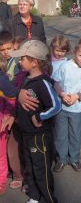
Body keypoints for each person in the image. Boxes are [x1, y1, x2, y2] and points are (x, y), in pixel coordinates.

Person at [10, 40, 61, 203]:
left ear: (34, 62)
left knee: (41, 169)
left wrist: (39, 116)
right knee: (30, 168)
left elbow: (56, 106)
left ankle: (47, 198)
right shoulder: (25, 78)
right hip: (26, 133)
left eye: (22, 58)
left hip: (39, 136)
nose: (19, 61)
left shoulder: (42, 83)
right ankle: (34, 196)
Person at [52, 38, 81, 172]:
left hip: (77, 110)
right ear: (75, 52)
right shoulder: (65, 66)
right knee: (61, 134)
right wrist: (63, 94)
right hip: (61, 108)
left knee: (76, 134)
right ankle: (61, 159)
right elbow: (56, 82)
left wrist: (76, 96)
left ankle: (74, 159)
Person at [0, 56, 16, 195]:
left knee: (0, 155)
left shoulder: (3, 83)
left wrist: (7, 115)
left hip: (1, 124)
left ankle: (0, 183)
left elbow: (11, 100)